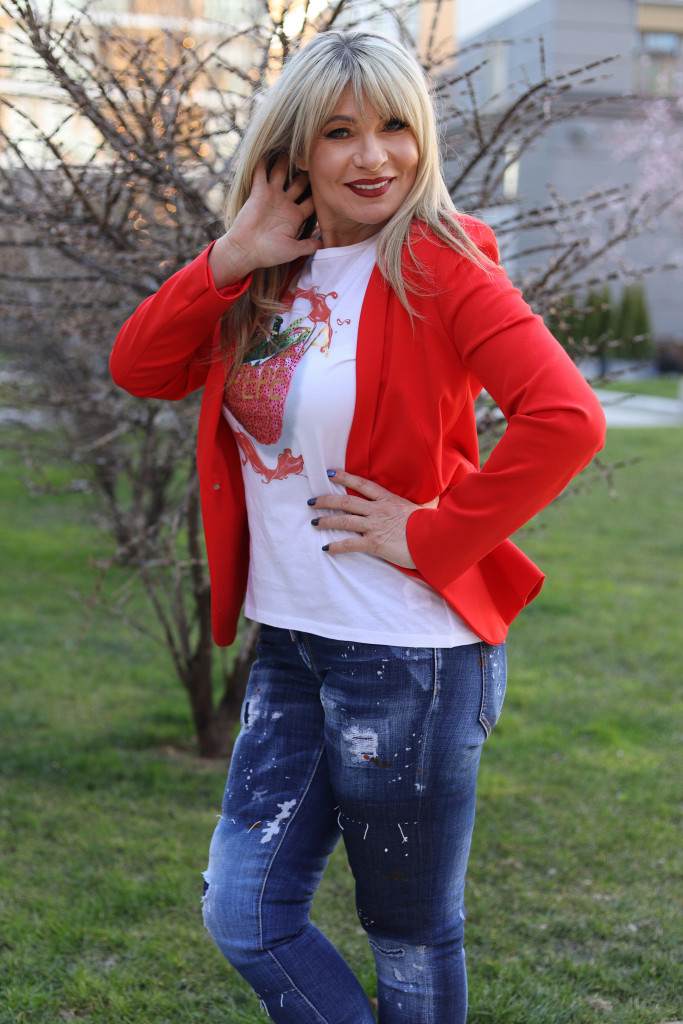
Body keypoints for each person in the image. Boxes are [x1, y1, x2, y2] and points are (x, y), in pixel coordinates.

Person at [110, 29, 606, 1024]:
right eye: (339, 133)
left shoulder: (438, 262)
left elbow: (565, 418)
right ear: (293, 151)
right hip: (292, 641)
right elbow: (140, 368)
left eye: (394, 127)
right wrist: (231, 254)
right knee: (245, 914)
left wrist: (429, 535)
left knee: (409, 936)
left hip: (408, 654)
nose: (374, 156)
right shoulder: (267, 274)